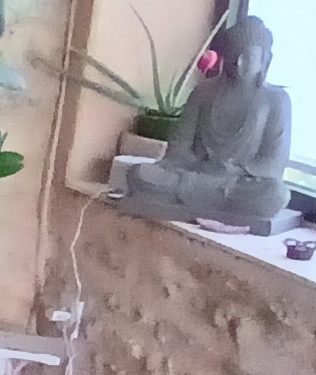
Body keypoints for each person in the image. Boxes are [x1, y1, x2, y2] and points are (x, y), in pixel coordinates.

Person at [116, 15, 293, 228]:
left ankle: (204, 199)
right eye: (233, 56)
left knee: (275, 195)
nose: (238, 63)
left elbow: (273, 165)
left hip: (235, 184)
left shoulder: (275, 100)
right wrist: (204, 168)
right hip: (196, 175)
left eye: (247, 57)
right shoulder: (203, 93)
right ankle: (207, 199)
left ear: (265, 59)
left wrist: (235, 170)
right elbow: (177, 150)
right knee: (140, 175)